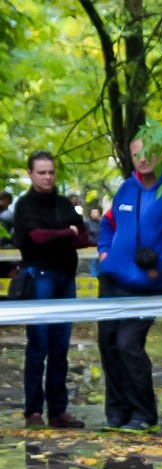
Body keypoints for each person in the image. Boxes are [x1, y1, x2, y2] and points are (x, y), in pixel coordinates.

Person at [97, 138, 162, 433]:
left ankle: (144, 415)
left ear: (160, 153)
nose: (142, 159)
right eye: (136, 154)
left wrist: (160, 264)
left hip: (146, 286)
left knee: (128, 346)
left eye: (147, 153)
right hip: (112, 281)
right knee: (109, 345)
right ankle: (117, 414)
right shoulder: (126, 187)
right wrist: (104, 252)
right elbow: (108, 222)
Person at [12, 151, 90, 428]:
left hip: (65, 279)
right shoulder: (25, 206)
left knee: (60, 348)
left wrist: (63, 236)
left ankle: (58, 411)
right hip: (39, 279)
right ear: (31, 174)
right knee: (38, 346)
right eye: (42, 172)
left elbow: (84, 237)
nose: (47, 177)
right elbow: (36, 237)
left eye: (51, 172)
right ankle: (33, 411)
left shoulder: (63, 204)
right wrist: (65, 234)